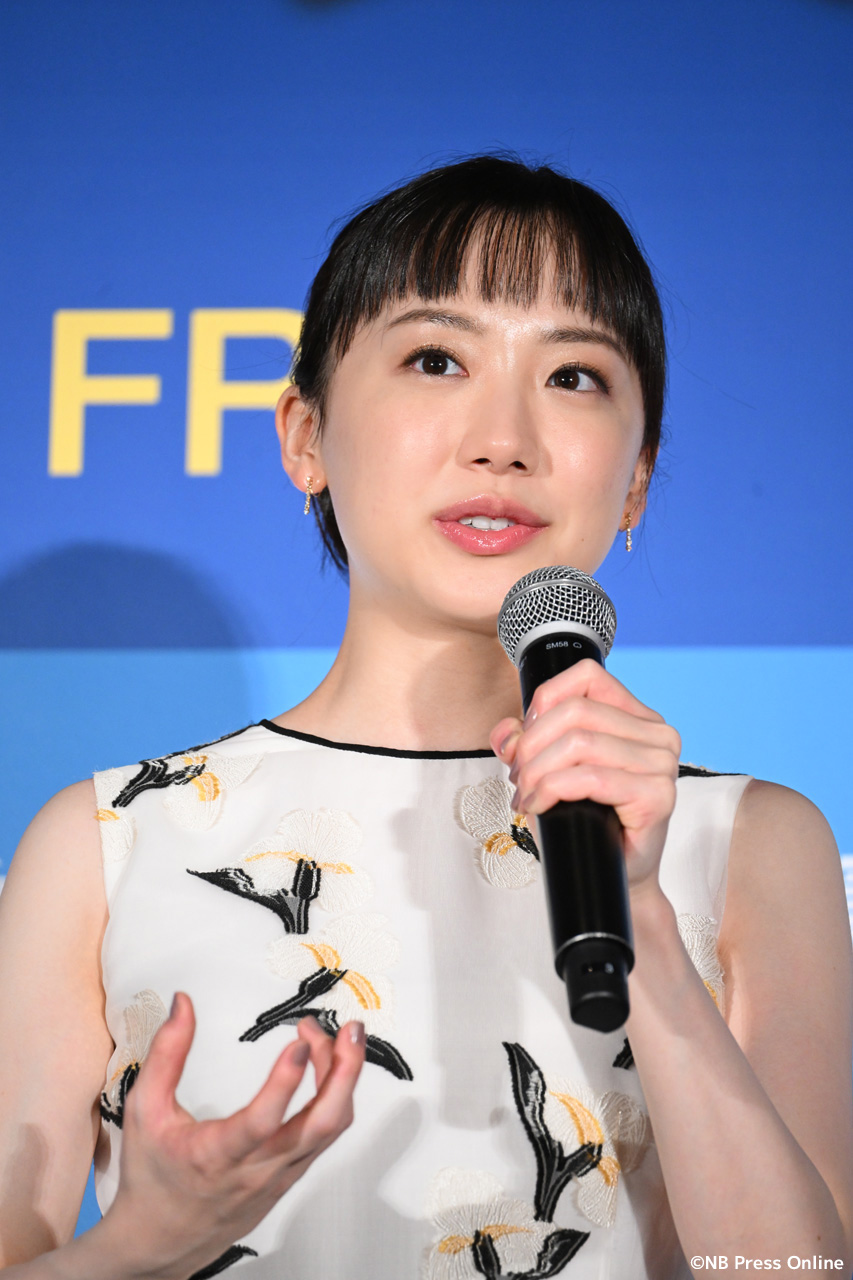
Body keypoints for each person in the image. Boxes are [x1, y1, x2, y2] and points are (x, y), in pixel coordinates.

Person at [0, 156, 851, 1280]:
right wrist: (144, 1242)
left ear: (638, 477)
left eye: (574, 376)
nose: (503, 438)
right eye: (436, 359)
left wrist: (639, 916)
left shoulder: (753, 843)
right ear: (304, 435)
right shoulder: (111, 841)